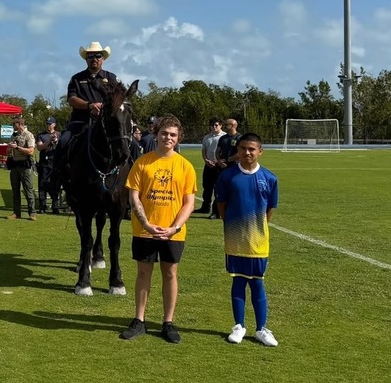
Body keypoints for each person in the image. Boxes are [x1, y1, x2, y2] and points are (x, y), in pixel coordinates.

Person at [119, 115, 197, 344]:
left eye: (173, 134)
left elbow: (189, 202)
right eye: (164, 133)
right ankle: (139, 320)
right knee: (143, 273)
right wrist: (145, 224)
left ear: (178, 137)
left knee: (170, 273)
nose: (168, 138)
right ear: (156, 135)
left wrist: (174, 227)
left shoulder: (185, 166)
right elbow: (134, 197)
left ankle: (168, 322)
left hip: (173, 232)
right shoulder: (142, 162)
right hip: (145, 230)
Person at [215, 132, 279, 347]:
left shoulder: (270, 178)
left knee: (258, 284)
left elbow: (270, 209)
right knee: (238, 281)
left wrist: (258, 228)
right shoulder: (227, 177)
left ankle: (262, 329)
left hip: (259, 241)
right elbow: (221, 206)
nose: (247, 153)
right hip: (235, 240)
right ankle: (239, 326)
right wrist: (233, 226)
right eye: (243, 149)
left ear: (260, 151)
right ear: (238, 151)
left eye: (252, 149)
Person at [48, 42, 119, 189]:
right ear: (86, 59)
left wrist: (104, 107)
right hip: (80, 123)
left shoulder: (111, 78)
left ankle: (133, 177)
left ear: (103, 58)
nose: (94, 59)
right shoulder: (76, 78)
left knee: (128, 143)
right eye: (90, 56)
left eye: (97, 56)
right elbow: (71, 99)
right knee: (63, 141)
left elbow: (117, 99)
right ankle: (54, 177)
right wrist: (89, 106)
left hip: (105, 124)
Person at [7, 116, 37, 220]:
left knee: (28, 189)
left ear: (19, 124)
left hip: (25, 166)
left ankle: (32, 213)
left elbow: (31, 151)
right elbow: (7, 151)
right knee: (15, 190)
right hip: (15, 165)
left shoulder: (28, 135)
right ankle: (16, 212)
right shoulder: (13, 135)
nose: (13, 126)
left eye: (14, 124)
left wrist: (18, 147)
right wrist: (10, 147)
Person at [213, 118, 241, 218]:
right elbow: (217, 151)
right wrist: (219, 161)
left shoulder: (239, 138)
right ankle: (215, 212)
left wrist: (227, 160)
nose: (225, 126)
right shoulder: (223, 138)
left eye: (227, 125)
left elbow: (239, 154)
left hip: (234, 167)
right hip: (222, 167)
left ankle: (232, 211)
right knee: (219, 188)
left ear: (233, 126)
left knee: (233, 189)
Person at [197, 118, 224, 214]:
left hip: (219, 166)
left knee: (218, 188)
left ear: (221, 125)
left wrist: (218, 162)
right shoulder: (207, 137)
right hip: (208, 165)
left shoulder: (224, 137)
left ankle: (216, 211)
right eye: (212, 125)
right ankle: (205, 207)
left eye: (216, 125)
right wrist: (206, 160)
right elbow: (204, 150)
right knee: (207, 187)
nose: (214, 127)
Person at [36, 116, 61, 214]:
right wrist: (49, 141)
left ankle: (55, 206)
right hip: (44, 163)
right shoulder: (41, 135)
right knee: (42, 184)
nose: (48, 126)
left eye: (50, 124)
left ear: (54, 125)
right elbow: (39, 147)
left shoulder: (59, 134)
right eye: (47, 124)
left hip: (55, 163)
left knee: (55, 185)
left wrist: (56, 141)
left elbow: (62, 147)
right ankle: (42, 206)